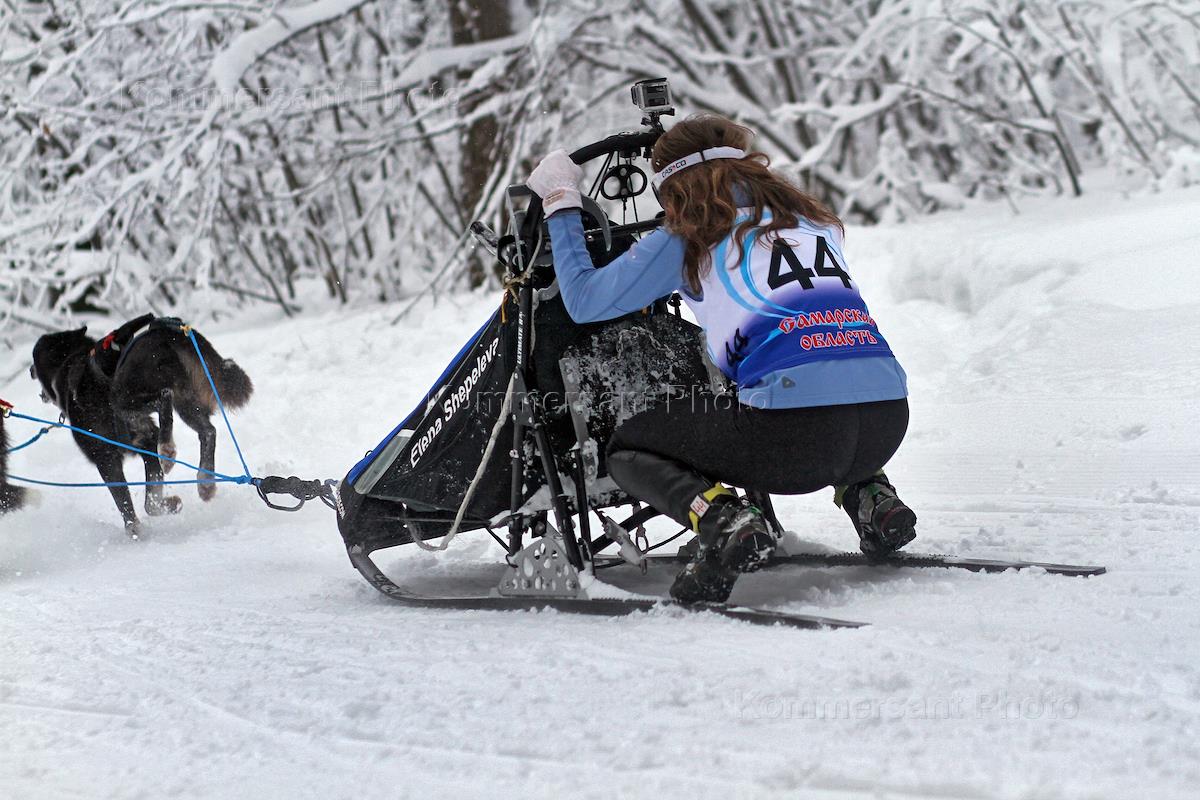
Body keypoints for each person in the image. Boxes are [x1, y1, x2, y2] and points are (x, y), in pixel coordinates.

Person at [526, 114, 916, 603]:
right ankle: (873, 501)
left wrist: (561, 200)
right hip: (886, 424)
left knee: (627, 447)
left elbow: (584, 301)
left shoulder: (691, 236)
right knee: (827, 376)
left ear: (672, 188)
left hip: (798, 442)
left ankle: (724, 522)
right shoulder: (814, 221)